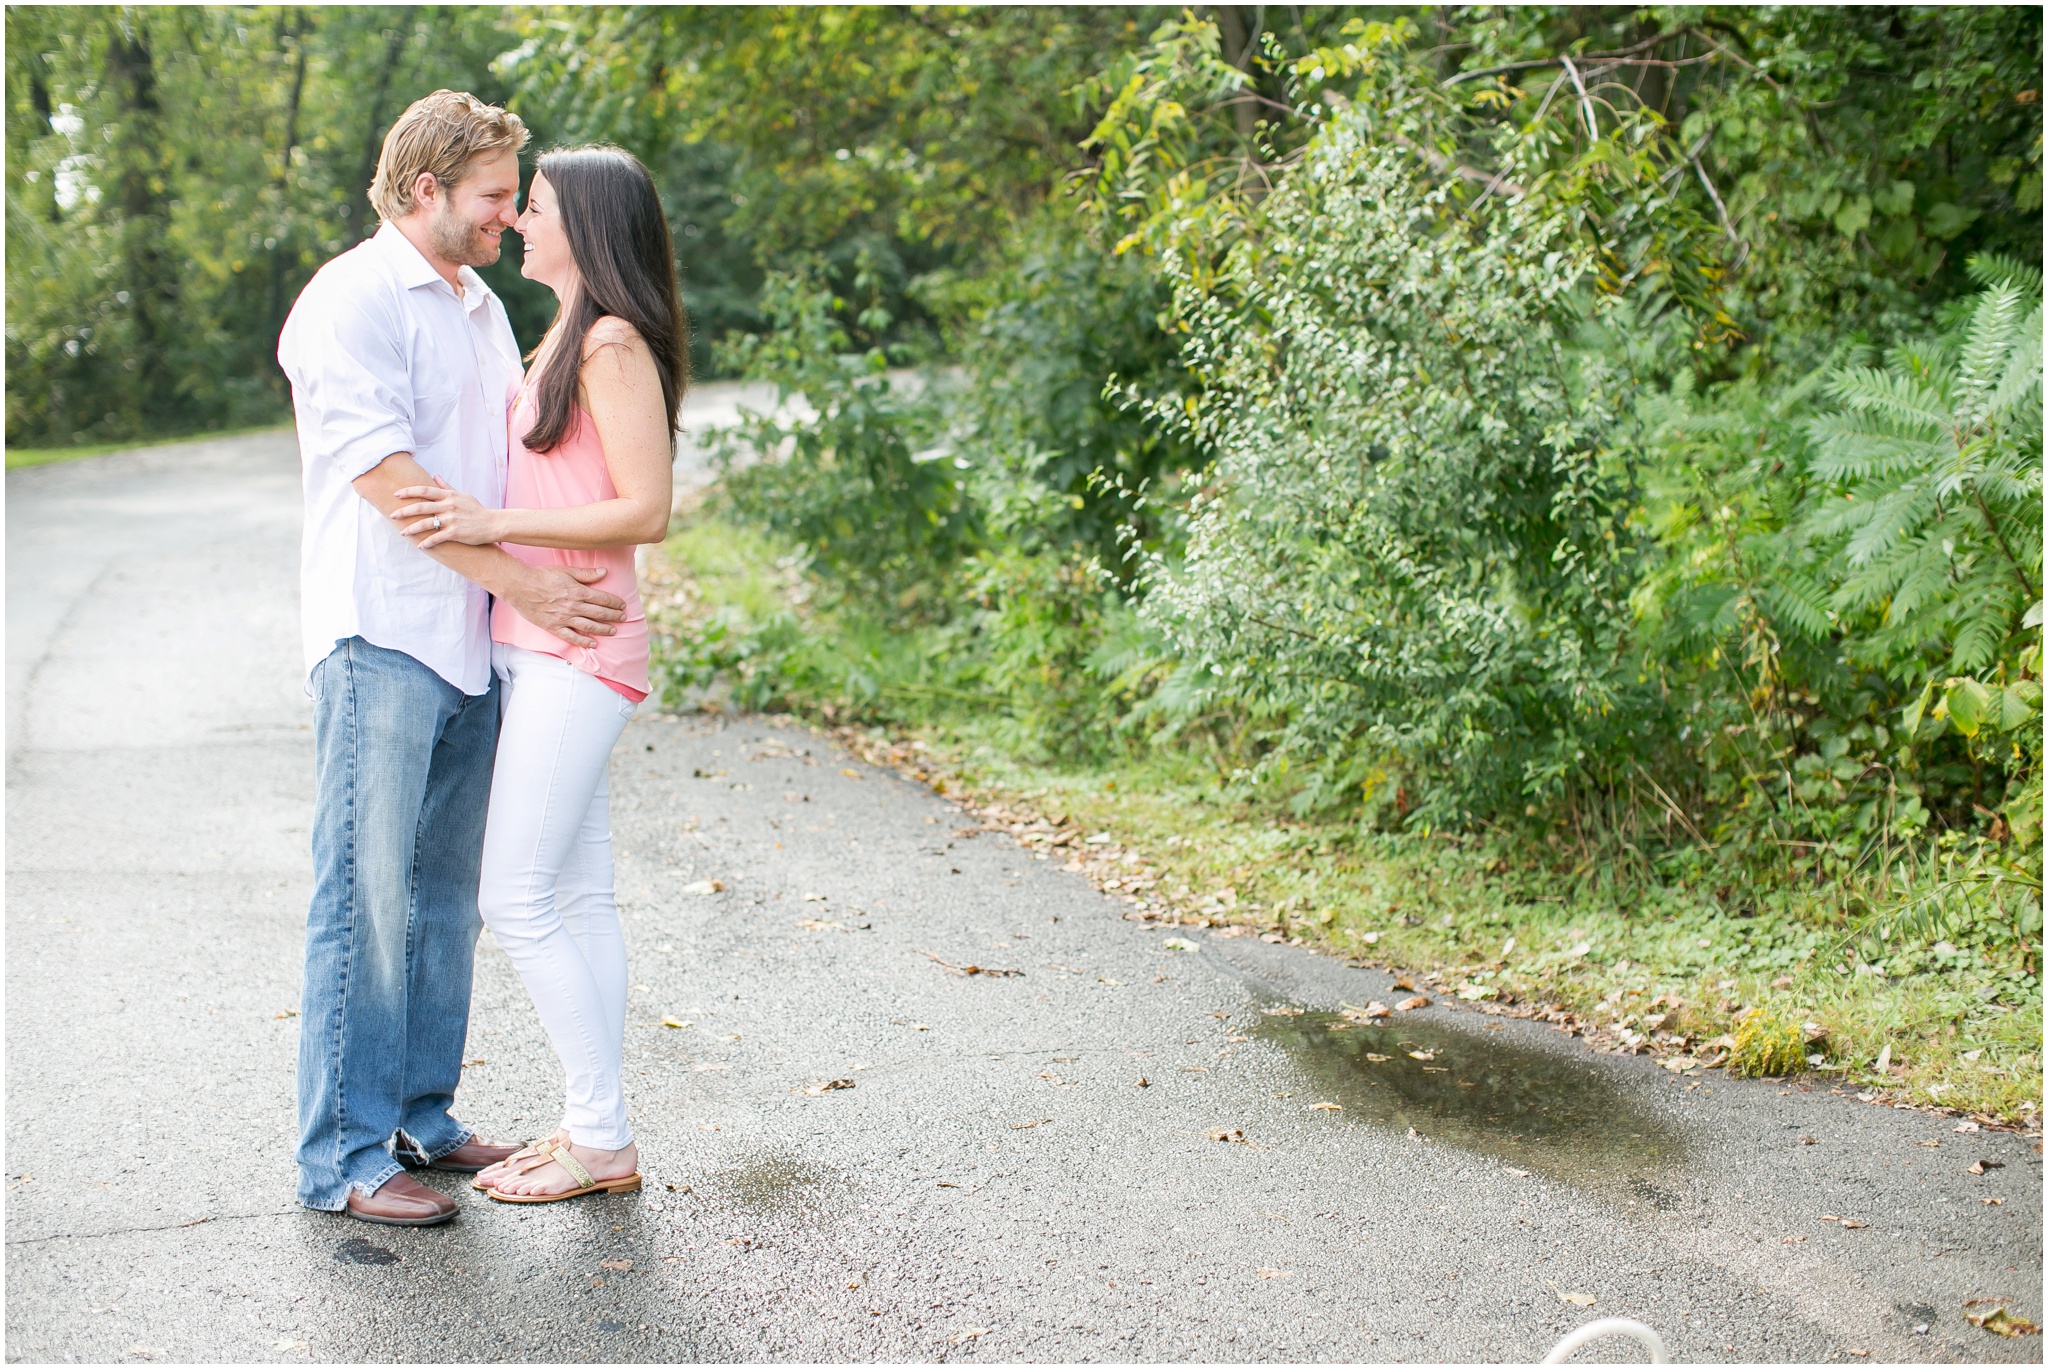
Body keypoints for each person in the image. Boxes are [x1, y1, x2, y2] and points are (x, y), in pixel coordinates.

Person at [277, 91, 629, 1227]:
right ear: (424, 190)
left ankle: (419, 1117)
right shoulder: (351, 301)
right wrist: (527, 583)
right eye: (491, 198)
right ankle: (339, 1158)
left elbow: (504, 475)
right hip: (381, 635)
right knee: (364, 900)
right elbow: (396, 485)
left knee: (443, 901)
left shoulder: (475, 303)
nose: (506, 217)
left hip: (472, 648)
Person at [386, 145, 685, 1202]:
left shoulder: (609, 343)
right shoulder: (560, 335)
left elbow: (645, 508)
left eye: (538, 206)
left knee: (515, 897)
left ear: (590, 227)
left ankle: (598, 1132)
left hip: (581, 649)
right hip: (537, 650)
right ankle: (596, 1130)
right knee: (575, 894)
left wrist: (492, 523)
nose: (517, 219)